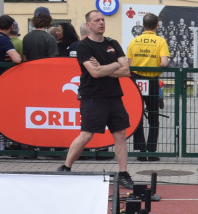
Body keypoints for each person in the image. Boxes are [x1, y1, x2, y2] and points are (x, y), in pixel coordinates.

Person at [57, 11, 134, 189]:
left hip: (114, 96)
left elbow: (126, 71)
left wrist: (107, 67)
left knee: (120, 135)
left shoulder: (112, 43)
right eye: (96, 20)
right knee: (86, 135)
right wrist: (115, 64)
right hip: (92, 97)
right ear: (89, 25)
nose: (101, 22)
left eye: (102, 19)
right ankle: (66, 167)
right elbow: (95, 73)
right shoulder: (84, 47)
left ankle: (123, 174)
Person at [126, 13, 170, 161]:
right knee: (153, 117)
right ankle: (151, 151)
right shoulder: (160, 41)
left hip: (136, 81)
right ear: (157, 25)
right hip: (151, 81)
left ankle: (140, 150)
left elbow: (129, 64)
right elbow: (164, 63)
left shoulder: (134, 41)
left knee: (138, 116)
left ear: (143, 26)